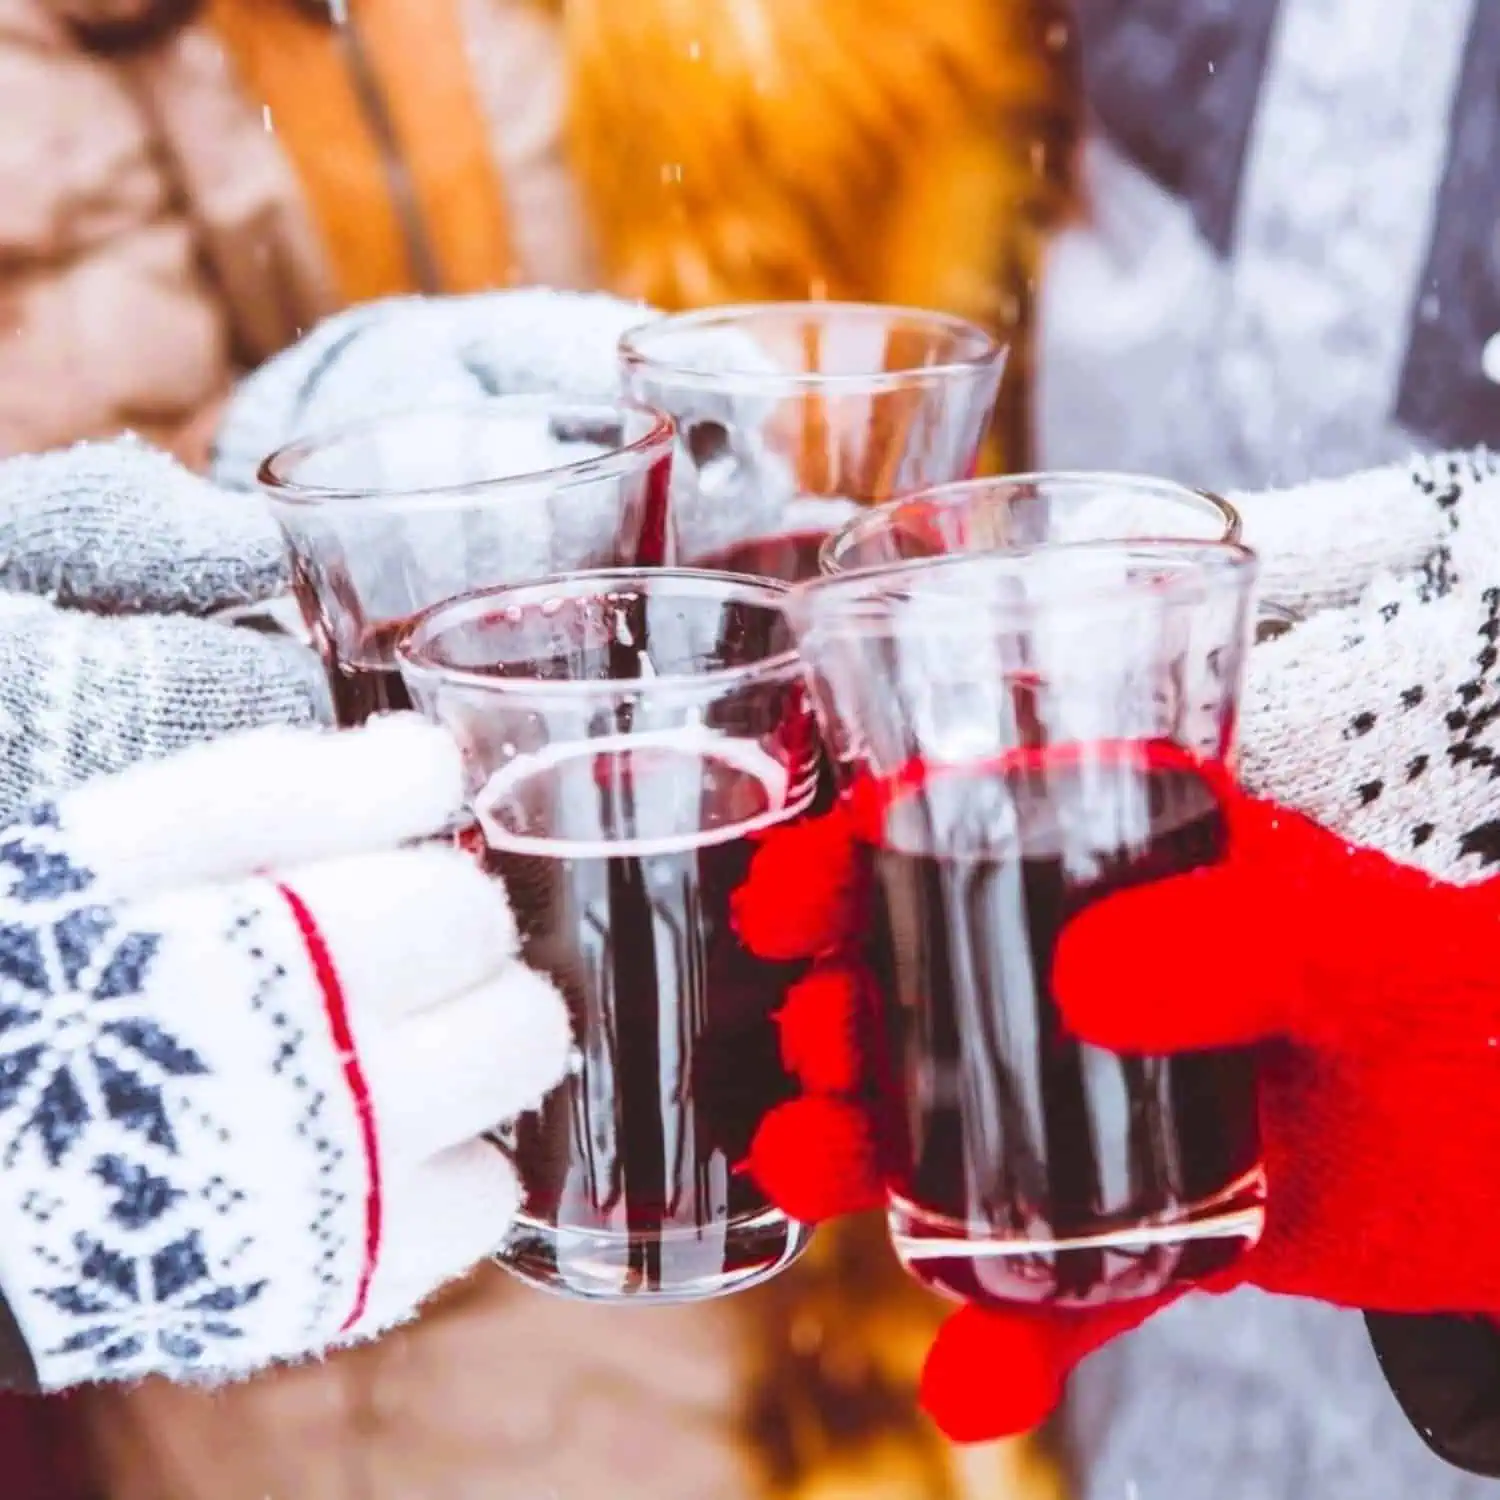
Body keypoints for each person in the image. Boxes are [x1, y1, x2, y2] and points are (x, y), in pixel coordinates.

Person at [0, 0, 1070, 464]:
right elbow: (91, 496)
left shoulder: (789, 44)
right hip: (322, 706)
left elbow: (893, 373)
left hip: (724, 664)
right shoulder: (79, 41)